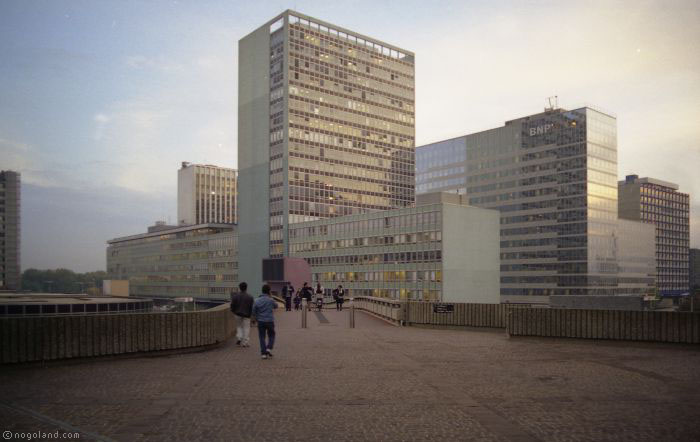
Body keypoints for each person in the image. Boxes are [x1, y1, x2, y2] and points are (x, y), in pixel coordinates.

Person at [252, 284, 277, 359]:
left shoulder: (256, 300)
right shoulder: (270, 300)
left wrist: (255, 319)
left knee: (262, 337)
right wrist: (271, 297)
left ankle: (263, 353)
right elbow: (276, 306)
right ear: (269, 291)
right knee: (272, 335)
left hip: (260, 321)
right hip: (269, 321)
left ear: (262, 291)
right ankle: (268, 348)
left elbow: (253, 311)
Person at [230, 282, 254, 347]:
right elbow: (251, 307)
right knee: (246, 328)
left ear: (239, 288)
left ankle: (239, 338)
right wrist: (251, 315)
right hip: (247, 315)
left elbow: (232, 305)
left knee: (239, 326)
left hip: (237, 314)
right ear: (246, 288)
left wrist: (234, 311)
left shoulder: (235, 296)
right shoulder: (250, 297)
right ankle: (245, 342)